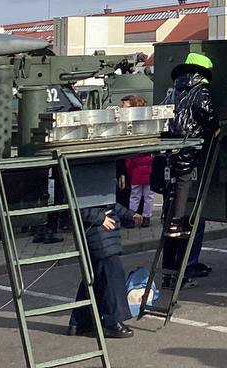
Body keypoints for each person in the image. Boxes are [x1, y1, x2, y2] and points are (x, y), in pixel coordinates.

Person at [68, 201, 142, 340]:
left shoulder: (98, 182)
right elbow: (75, 205)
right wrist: (100, 217)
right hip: (98, 230)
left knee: (96, 277)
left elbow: (110, 201)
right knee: (112, 275)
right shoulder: (82, 181)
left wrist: (130, 214)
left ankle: (80, 322)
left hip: (103, 229)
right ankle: (112, 322)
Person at [164, 52, 219, 240]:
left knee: (175, 180)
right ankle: (176, 222)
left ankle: (169, 219)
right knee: (184, 180)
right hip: (190, 138)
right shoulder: (200, 89)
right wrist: (215, 127)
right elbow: (205, 110)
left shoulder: (176, 88)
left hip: (174, 138)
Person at [119, 95, 154, 225]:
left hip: (136, 171)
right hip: (148, 170)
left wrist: (128, 171)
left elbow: (129, 159)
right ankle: (146, 217)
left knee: (134, 195)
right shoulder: (147, 128)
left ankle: (132, 216)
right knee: (148, 196)